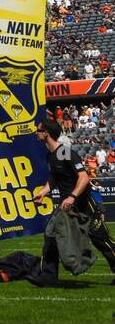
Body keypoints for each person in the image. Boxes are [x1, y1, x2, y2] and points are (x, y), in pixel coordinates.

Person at [33, 118, 115, 280]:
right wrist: (43, 192)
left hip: (83, 205)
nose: (36, 133)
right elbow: (55, 179)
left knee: (101, 240)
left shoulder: (66, 152)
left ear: (46, 133)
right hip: (66, 205)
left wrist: (72, 196)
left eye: (39, 130)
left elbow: (84, 178)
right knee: (51, 235)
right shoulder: (50, 155)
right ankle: (48, 276)